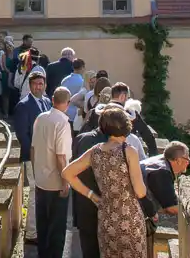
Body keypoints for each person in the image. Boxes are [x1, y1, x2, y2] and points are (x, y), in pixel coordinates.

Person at [61, 107, 151, 258]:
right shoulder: (129, 151)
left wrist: (92, 196)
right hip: (129, 217)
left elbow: (67, 173)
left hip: (106, 216)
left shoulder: (95, 151)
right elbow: (140, 191)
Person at [31, 87, 74, 258]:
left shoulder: (41, 118)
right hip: (56, 183)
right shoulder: (62, 123)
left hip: (41, 180)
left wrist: (35, 172)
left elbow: (33, 149)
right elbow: (61, 157)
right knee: (56, 228)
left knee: (42, 224)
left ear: (53, 100)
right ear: (68, 103)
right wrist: (65, 182)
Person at [12, 71, 51, 242]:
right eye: (35, 84)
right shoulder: (23, 105)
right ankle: (31, 233)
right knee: (35, 192)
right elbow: (22, 135)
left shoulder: (47, 102)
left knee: (44, 193)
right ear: (30, 86)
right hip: (32, 157)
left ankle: (41, 228)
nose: (38, 87)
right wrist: (33, 157)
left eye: (41, 84)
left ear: (45, 85)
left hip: (47, 157)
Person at [70, 109, 114, 258]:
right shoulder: (111, 143)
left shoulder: (81, 138)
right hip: (106, 203)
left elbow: (71, 167)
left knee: (88, 248)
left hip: (84, 200)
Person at [140, 142, 190, 217]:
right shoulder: (162, 172)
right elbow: (171, 208)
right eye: (187, 159)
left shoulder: (159, 162)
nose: (188, 162)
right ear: (179, 160)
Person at [108, 82, 158, 155]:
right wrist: (152, 156)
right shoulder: (132, 114)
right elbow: (148, 137)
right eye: (127, 97)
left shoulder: (100, 112)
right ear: (123, 97)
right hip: (127, 155)